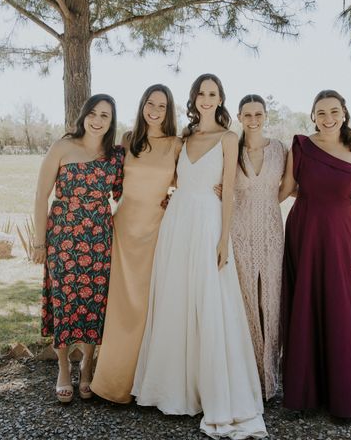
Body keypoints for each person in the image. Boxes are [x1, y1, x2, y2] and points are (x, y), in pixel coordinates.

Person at [132, 74, 267, 439]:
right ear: (193, 99)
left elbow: (229, 193)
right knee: (176, 299)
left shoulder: (228, 138)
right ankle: (174, 388)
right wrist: (165, 196)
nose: (206, 99)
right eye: (201, 93)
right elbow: (170, 178)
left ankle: (214, 391)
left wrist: (224, 238)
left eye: (213, 93)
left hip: (209, 224)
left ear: (221, 99)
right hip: (177, 225)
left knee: (209, 302)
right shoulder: (183, 139)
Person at [280, 89, 351, 418]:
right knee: (306, 304)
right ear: (313, 117)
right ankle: (305, 393)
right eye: (321, 113)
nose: (328, 118)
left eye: (334, 111)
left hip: (342, 235)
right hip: (304, 232)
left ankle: (345, 394)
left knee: (340, 306)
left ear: (344, 114)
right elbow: (286, 190)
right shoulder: (301, 146)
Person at [90, 84, 182, 403]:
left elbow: (187, 184)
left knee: (146, 307)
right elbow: (110, 178)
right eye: (150, 104)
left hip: (156, 231)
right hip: (123, 228)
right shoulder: (129, 140)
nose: (155, 110)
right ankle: (112, 383)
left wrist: (176, 199)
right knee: (120, 307)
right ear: (142, 105)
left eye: (162, 106)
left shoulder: (176, 144)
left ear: (169, 111)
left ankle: (143, 383)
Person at [33, 94, 124, 403]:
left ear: (111, 123)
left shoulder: (115, 155)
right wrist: (39, 240)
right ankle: (62, 368)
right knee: (64, 300)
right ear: (84, 114)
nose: (98, 120)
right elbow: (40, 195)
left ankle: (87, 368)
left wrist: (171, 194)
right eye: (94, 113)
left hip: (99, 237)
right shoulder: (63, 146)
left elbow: (131, 191)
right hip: (62, 236)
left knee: (93, 303)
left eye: (106, 116)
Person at [219, 94, 287, 400]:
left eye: (258, 113)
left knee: (271, 299)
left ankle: (271, 375)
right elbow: (220, 185)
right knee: (246, 299)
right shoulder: (232, 151)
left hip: (272, 230)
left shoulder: (280, 150)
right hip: (240, 232)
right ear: (239, 117)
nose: (254, 119)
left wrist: (266, 205)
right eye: (247, 114)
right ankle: (249, 376)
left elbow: (286, 187)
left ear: (265, 115)